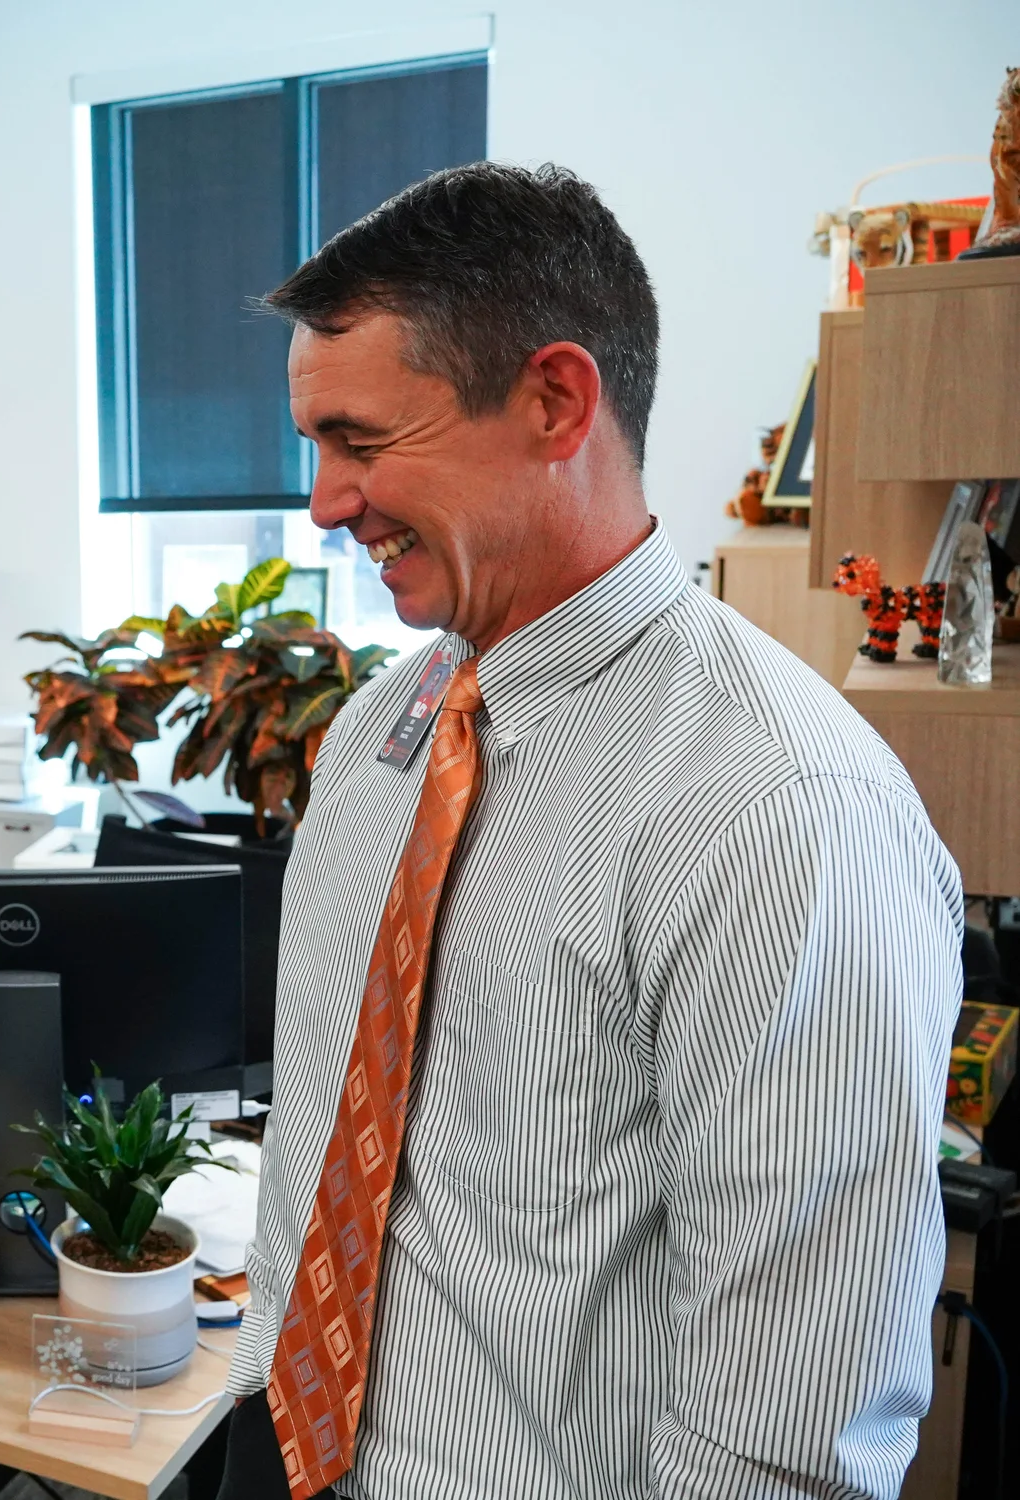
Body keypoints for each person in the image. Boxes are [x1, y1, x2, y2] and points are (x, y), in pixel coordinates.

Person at [219, 163, 959, 1500]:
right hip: (284, 1457)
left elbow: (792, 1428)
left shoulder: (775, 811)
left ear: (554, 400)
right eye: (312, 448)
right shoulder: (376, 733)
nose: (324, 503)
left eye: (361, 441)